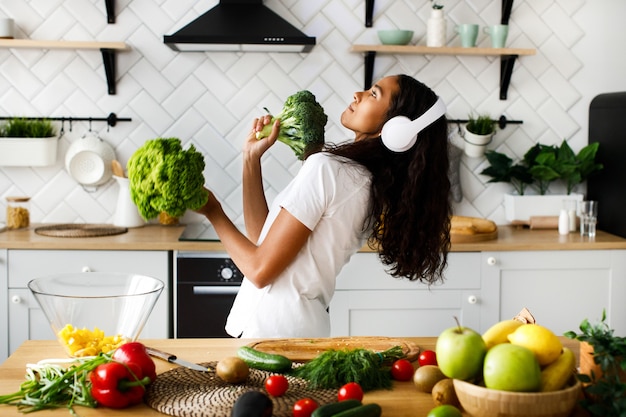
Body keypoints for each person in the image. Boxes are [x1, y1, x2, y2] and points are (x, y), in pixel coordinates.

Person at [195, 74, 451, 338]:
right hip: (294, 332)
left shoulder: (328, 169)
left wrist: (213, 211)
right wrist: (251, 159)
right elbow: (263, 240)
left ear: (398, 129)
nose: (357, 94)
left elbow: (259, 271)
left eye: (373, 94)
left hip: (272, 334)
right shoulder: (368, 183)